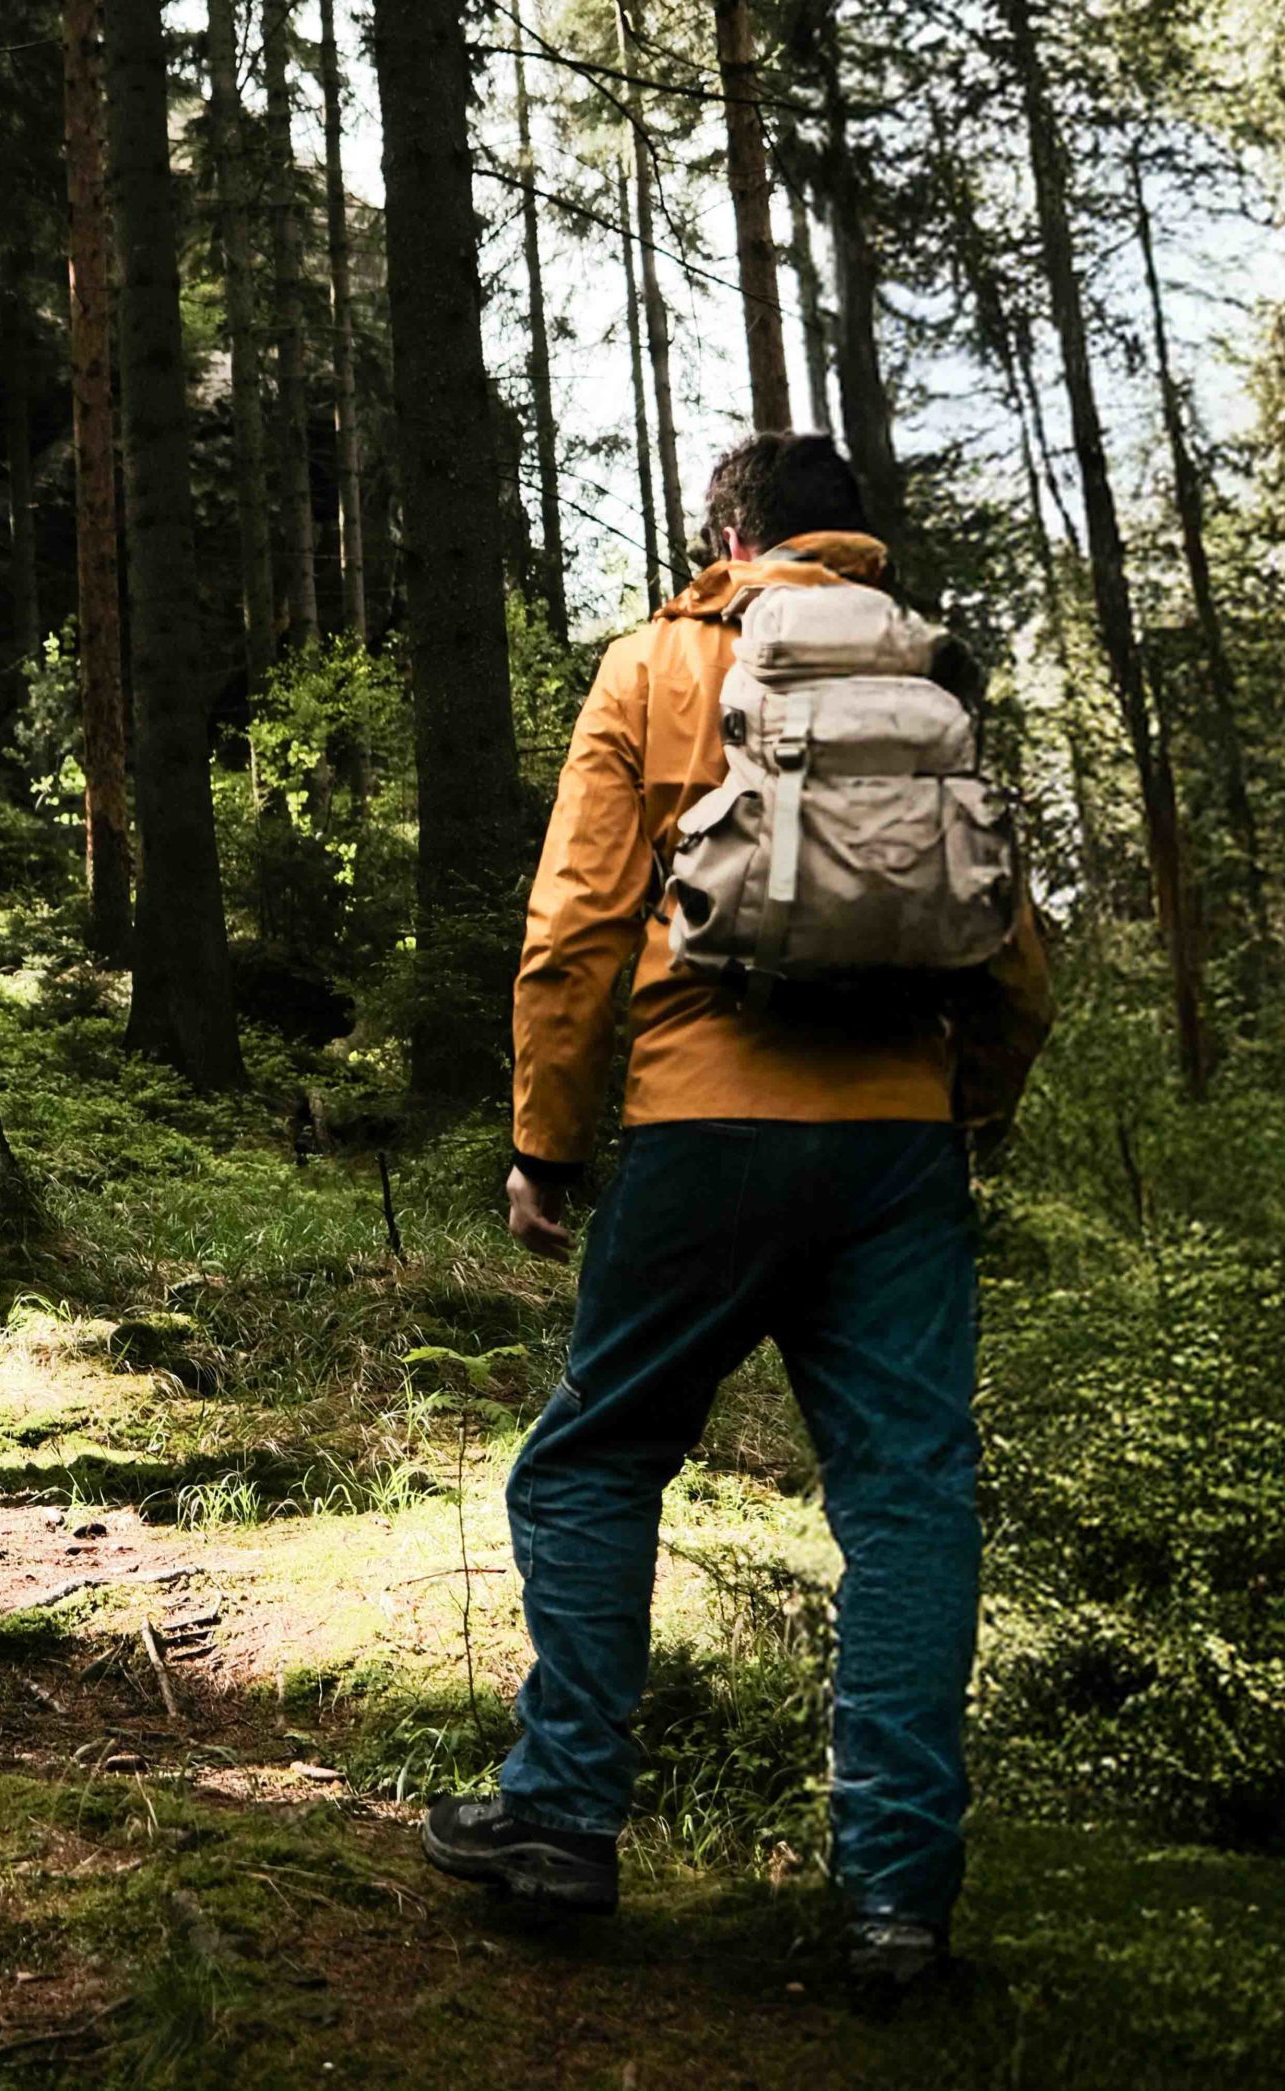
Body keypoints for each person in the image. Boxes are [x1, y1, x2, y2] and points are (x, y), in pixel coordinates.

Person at [418, 434, 1055, 1987]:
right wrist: (971, 1110)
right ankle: (897, 1896)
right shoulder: (935, 684)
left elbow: (574, 923)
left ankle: (564, 1809)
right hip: (899, 1143)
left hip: (704, 1125)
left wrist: (545, 1144)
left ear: (728, 529)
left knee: (590, 1463)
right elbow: (1011, 941)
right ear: (859, 543)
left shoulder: (656, 662)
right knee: (907, 1504)